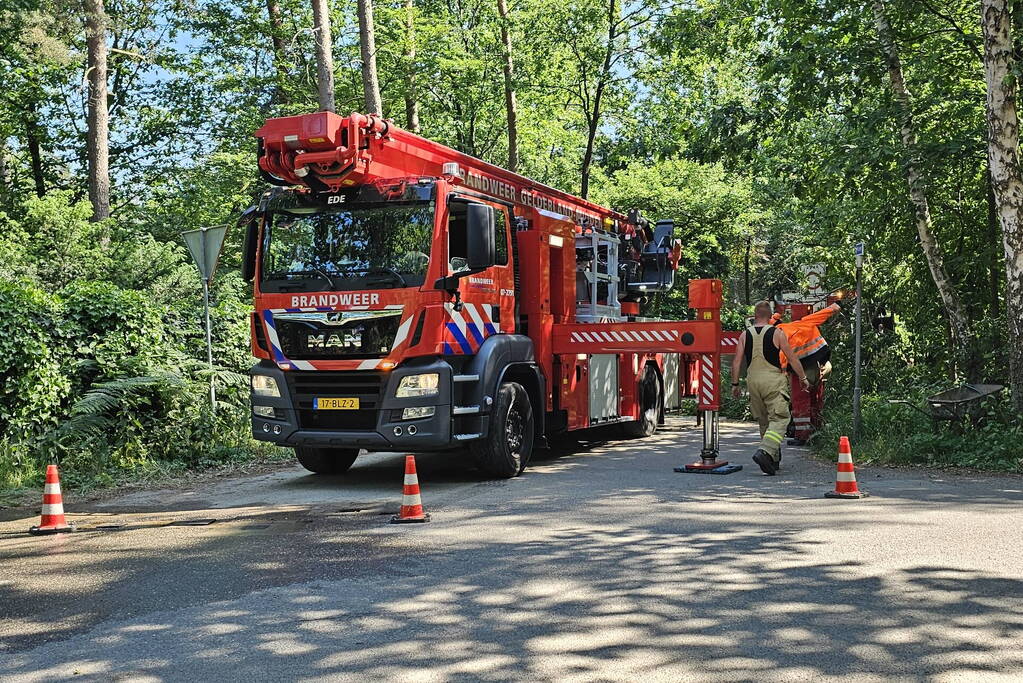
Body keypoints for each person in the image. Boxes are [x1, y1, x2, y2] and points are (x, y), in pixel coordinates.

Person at [731, 301, 809, 475]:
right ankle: (765, 451)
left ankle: (772, 460)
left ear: (755, 314)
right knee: (780, 418)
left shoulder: (745, 334)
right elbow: (792, 358)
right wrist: (803, 377)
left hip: (753, 381)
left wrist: (735, 384)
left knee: (764, 420)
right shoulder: (777, 333)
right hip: (772, 381)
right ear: (770, 315)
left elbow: (736, 362)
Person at [771, 302, 842, 445]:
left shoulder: (779, 333)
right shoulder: (802, 322)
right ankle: (816, 432)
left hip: (801, 371)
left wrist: (782, 374)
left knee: (801, 402)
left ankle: (802, 436)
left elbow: (783, 358)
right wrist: (836, 306)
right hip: (820, 365)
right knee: (816, 399)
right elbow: (821, 315)